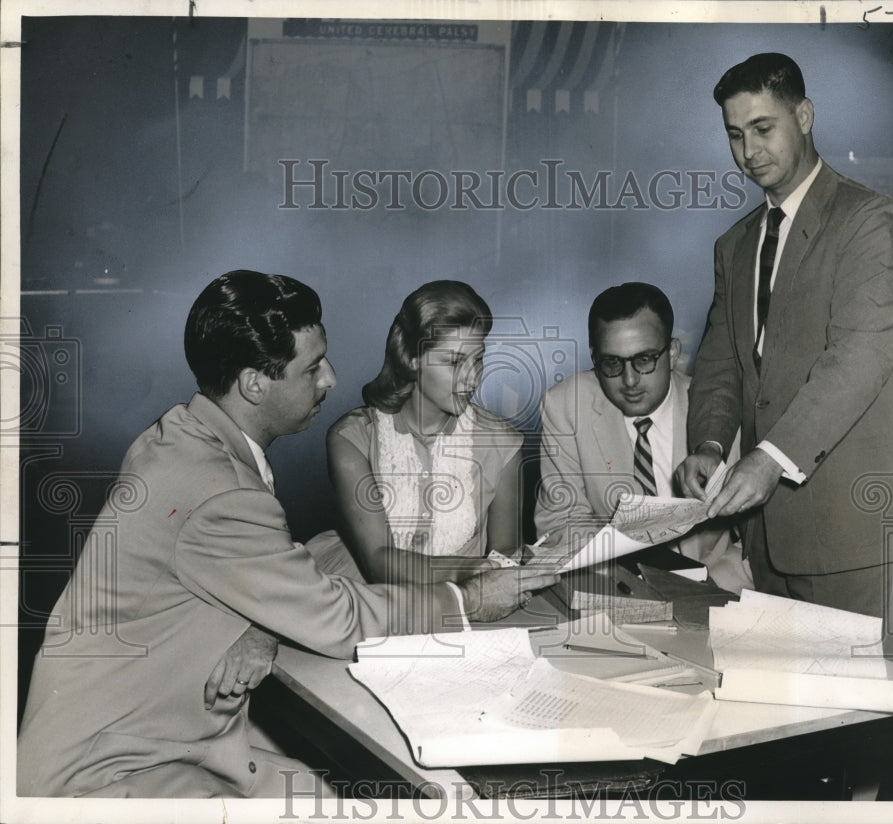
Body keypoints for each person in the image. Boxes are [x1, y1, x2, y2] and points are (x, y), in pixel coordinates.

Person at [17, 271, 556, 798]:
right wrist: (466, 601)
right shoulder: (224, 490)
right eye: (313, 367)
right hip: (111, 770)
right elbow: (336, 616)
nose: (331, 379)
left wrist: (260, 623)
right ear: (255, 383)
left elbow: (254, 571)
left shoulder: (179, 434)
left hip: (158, 731)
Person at [674, 53, 893, 655]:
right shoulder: (734, 245)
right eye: (735, 134)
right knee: (782, 728)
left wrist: (767, 458)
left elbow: (858, 359)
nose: (749, 150)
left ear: (804, 115)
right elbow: (722, 361)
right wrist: (707, 442)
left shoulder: (869, 222)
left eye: (764, 128)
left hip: (855, 533)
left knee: (860, 733)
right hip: (766, 541)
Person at [534, 282, 752, 593]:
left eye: (645, 359)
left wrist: (715, 588)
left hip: (715, 586)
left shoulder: (719, 409)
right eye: (612, 363)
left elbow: (758, 538)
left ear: (673, 353)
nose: (630, 380)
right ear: (595, 358)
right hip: (612, 587)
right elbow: (558, 526)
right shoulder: (566, 405)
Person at [310, 280, 526, 585]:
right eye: (454, 362)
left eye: (478, 359)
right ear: (411, 359)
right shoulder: (353, 438)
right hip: (363, 598)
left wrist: (498, 574)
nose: (473, 377)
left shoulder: (503, 444)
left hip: (463, 604)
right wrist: (471, 570)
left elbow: (506, 551)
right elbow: (379, 562)